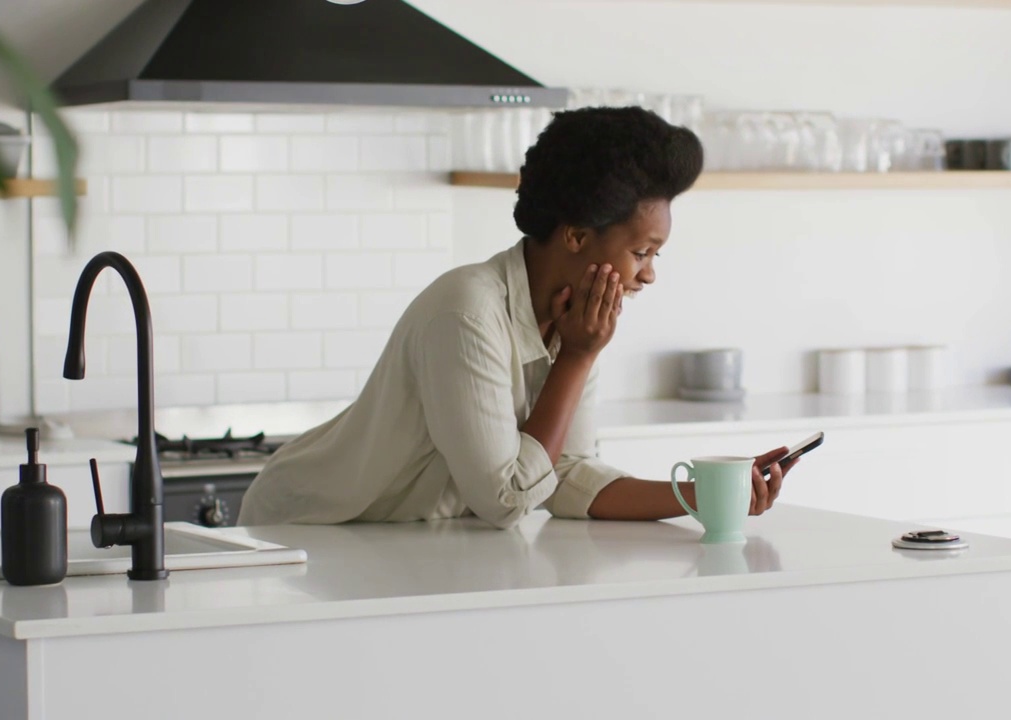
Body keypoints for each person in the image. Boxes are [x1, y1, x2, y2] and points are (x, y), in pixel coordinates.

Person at [238, 106, 797, 530]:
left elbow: (564, 475)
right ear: (576, 235)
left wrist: (702, 496)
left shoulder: (576, 321)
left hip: (400, 541)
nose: (647, 275)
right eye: (642, 252)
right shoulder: (467, 312)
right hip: (303, 533)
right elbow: (506, 498)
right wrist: (576, 359)